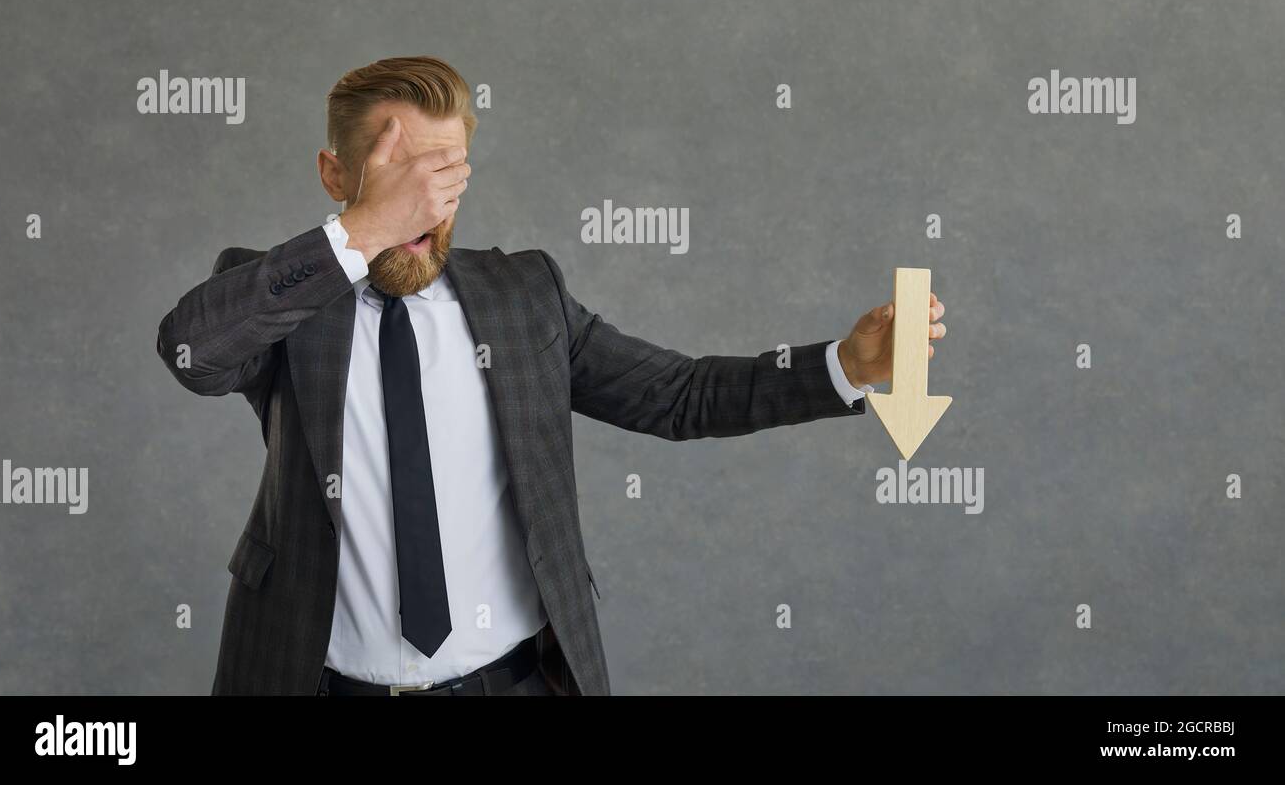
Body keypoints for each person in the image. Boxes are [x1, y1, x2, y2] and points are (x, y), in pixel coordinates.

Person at [155, 55, 946, 695]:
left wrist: (846, 366)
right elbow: (192, 352)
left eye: (444, 176)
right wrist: (367, 228)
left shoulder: (522, 295)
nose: (422, 208)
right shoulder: (282, 303)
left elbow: (679, 396)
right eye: (399, 178)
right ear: (336, 175)